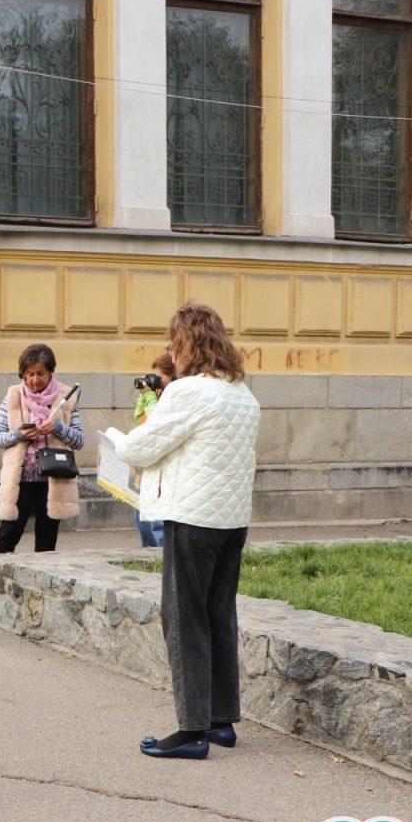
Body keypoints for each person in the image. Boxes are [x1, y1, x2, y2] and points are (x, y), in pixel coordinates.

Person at [112, 304, 260, 760]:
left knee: (184, 619)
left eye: (171, 344)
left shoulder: (188, 393)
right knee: (218, 616)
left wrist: (115, 438)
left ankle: (192, 730)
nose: (169, 353)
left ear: (186, 345)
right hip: (231, 521)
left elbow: (140, 448)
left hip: (193, 519)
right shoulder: (241, 393)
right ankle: (220, 721)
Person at [0, 344, 84, 554]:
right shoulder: (13, 396)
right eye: (29, 374)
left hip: (54, 478)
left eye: (40, 373)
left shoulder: (67, 397)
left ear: (51, 371)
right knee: (7, 537)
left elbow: (79, 440)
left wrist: (59, 428)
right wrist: (20, 435)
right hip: (20, 480)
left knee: (46, 542)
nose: (34, 379)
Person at [132, 354, 176, 549]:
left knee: (158, 522)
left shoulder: (174, 398)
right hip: (147, 465)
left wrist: (150, 397)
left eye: (160, 378)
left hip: (163, 469)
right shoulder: (156, 397)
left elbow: (157, 422)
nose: (155, 382)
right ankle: (148, 557)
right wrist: (144, 397)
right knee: (141, 517)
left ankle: (160, 559)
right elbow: (140, 418)